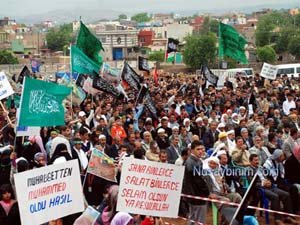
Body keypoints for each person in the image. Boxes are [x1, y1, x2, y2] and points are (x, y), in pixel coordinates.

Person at [182, 140, 211, 224]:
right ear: (191, 150)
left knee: (193, 218)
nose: (201, 151)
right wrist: (208, 193)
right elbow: (200, 181)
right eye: (198, 149)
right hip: (197, 195)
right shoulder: (192, 162)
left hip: (193, 194)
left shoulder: (195, 160)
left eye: (202, 149)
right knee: (199, 220)